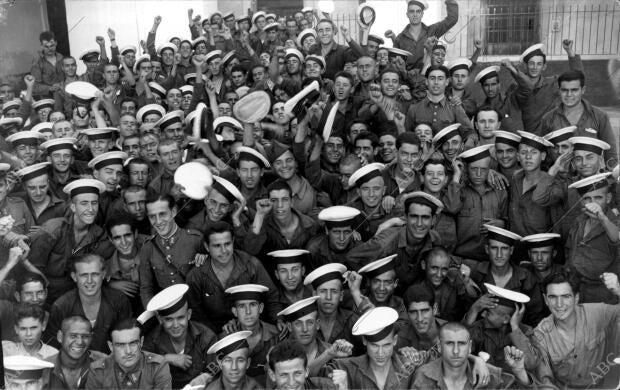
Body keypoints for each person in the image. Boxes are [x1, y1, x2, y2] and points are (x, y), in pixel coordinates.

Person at [29, 179, 114, 305]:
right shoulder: (53, 229)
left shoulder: (99, 235)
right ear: (73, 207)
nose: (90, 209)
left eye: (94, 203)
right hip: (44, 295)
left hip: (77, 296)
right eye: (84, 203)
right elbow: (32, 266)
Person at [530, 270, 620, 389]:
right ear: (546, 300)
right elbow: (545, 381)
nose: (559, 304)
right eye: (553, 297)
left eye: (565, 296)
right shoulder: (539, 335)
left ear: (576, 298)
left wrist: (618, 290)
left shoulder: (597, 313)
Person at [186, 221, 278, 331]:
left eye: (227, 244)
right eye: (217, 246)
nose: (224, 250)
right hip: (214, 335)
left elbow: (271, 296)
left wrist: (278, 320)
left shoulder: (251, 265)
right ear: (206, 247)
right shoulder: (196, 276)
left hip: (252, 327)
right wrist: (220, 333)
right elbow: (197, 316)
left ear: (233, 242)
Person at [346, 191, 444, 288]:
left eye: (425, 218)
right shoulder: (384, 243)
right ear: (405, 217)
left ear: (433, 220)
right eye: (414, 216)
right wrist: (369, 283)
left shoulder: (434, 239)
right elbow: (351, 257)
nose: (419, 223)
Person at [45, 253, 132, 354]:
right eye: (84, 275)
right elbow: (53, 348)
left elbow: (127, 339)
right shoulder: (61, 306)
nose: (89, 281)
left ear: (103, 274)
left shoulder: (119, 300)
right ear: (74, 277)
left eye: (95, 274)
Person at [411, 322, 534, 389]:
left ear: (470, 346)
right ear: (439, 347)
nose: (455, 351)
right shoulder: (424, 376)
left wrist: (520, 372)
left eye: (462, 344)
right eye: (449, 344)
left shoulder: (488, 375)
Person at [141, 284, 217, 389]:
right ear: (160, 319)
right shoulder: (153, 339)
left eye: (180, 318)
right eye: (169, 319)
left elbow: (217, 364)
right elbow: (140, 365)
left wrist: (205, 376)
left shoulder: (205, 336)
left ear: (189, 314)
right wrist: (166, 358)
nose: (176, 325)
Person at [139, 193, 205, 307]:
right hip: (167, 309)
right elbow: (146, 288)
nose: (158, 221)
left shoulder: (195, 239)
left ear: (173, 212)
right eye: (152, 216)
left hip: (194, 306)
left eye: (162, 214)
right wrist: (152, 311)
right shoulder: (148, 248)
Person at [540, 69, 618, 166]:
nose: (569, 95)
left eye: (574, 90)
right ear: (559, 90)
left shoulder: (600, 116)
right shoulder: (548, 118)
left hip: (588, 177)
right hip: (559, 177)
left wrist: (610, 177)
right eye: (564, 90)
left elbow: (610, 153)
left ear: (583, 90)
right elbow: (544, 153)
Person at [566, 173, 620, 304]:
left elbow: (616, 239)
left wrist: (602, 218)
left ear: (608, 198)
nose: (593, 203)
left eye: (598, 198)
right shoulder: (579, 221)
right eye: (587, 199)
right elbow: (570, 251)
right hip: (579, 289)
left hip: (604, 295)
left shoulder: (614, 222)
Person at [333, 307, 413, 390]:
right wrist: (329, 354)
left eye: (386, 345)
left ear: (395, 340)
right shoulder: (348, 367)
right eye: (375, 346)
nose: (380, 353)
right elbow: (319, 377)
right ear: (364, 341)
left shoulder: (409, 366)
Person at [454, 144, 508, 261]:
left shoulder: (499, 191)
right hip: (463, 257)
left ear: (490, 170)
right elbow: (451, 207)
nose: (478, 174)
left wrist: (502, 223)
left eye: (483, 170)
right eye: (474, 169)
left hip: (492, 258)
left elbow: (509, 219)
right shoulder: (459, 191)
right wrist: (457, 175)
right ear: (466, 168)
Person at [85, 318, 172, 389]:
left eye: (133, 343)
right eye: (120, 345)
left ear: (141, 342)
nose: (128, 351)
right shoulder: (98, 371)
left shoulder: (157, 366)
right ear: (111, 346)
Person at [277, 296, 353, 377]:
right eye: (298, 324)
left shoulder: (334, 352)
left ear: (317, 324)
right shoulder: (278, 354)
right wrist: (326, 355)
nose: (305, 329)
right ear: (289, 327)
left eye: (310, 323)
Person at [221, 284, 279, 385]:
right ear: (235, 312)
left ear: (260, 308)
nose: (248, 312)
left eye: (253, 305)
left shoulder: (276, 335)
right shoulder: (225, 338)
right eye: (242, 306)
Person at [387, 0, 458, 69]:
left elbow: (452, 19)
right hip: (407, 78)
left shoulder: (432, 30)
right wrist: (393, 38)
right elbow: (395, 60)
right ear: (407, 14)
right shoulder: (400, 38)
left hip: (428, 77)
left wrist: (451, 1)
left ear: (422, 14)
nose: (415, 15)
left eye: (418, 11)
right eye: (412, 11)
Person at [45, 316, 107, 390]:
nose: (79, 342)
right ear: (60, 337)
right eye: (73, 336)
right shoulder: (44, 367)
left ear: (91, 338)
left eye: (85, 336)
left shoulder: (104, 364)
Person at [303, 263, 358, 346]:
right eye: (323, 291)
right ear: (314, 294)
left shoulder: (352, 321)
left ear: (341, 296)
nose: (328, 297)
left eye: (334, 291)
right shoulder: (305, 322)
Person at [306, 206, 362, 270]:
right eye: (336, 232)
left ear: (352, 232)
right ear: (327, 230)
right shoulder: (313, 249)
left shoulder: (359, 248)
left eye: (347, 232)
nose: (342, 238)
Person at [267, 340, 338, 390]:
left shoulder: (327, 386)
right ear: (272, 375)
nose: (291, 382)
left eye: (297, 373)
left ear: (306, 371)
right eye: (284, 375)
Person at [16, 162, 67, 226]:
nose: (38, 192)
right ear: (24, 187)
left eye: (42, 187)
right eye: (32, 188)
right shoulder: (17, 203)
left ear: (48, 184)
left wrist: (47, 230)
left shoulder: (62, 207)